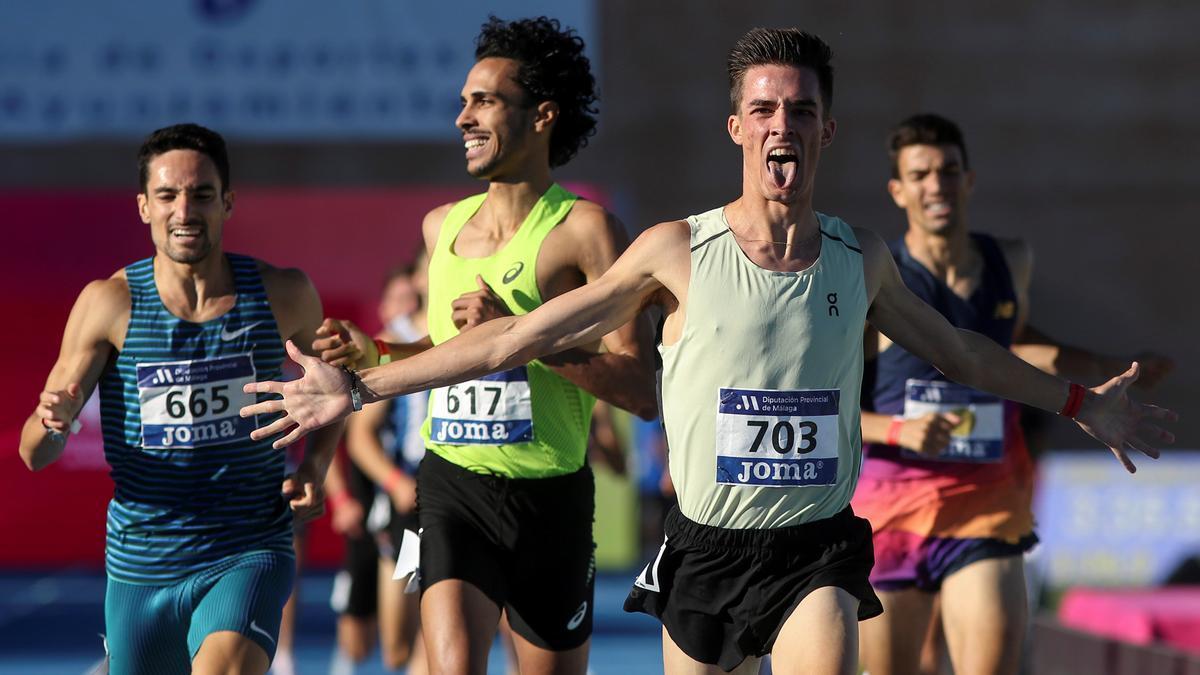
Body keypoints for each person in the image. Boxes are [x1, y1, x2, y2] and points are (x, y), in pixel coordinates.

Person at [241, 28, 1176, 675]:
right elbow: (514, 337)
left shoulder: (861, 257)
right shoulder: (674, 251)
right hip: (703, 548)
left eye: (801, 111)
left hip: (815, 547)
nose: (782, 125)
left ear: (824, 131)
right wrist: (361, 386)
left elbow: (966, 354)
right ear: (738, 128)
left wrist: (1083, 400)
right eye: (764, 109)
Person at [313, 16, 656, 675]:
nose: (462, 118)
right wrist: (377, 351)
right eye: (463, 101)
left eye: (484, 101)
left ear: (542, 115)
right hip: (452, 485)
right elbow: (453, 354)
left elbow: (640, 391)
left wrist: (524, 335)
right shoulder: (441, 226)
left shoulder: (587, 231)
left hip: (550, 495)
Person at [852, 113, 1174, 675]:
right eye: (921, 173)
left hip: (986, 502)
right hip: (890, 510)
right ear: (897, 190)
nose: (937, 185)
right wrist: (898, 430)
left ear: (969, 179)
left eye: (948, 170)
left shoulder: (1010, 262)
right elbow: (830, 406)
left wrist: (1104, 369)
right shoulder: (874, 278)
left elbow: (1015, 347)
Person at [18, 123, 343, 675]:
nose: (184, 210)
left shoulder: (283, 292)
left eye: (201, 194)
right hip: (142, 560)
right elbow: (34, 453)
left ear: (228, 202)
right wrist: (55, 423)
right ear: (144, 206)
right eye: (167, 195)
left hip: (249, 544)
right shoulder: (109, 303)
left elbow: (337, 385)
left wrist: (316, 462)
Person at [340, 261, 430, 673]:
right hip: (407, 503)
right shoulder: (396, 340)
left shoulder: (483, 332)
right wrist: (396, 483)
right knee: (397, 644)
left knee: (451, 623)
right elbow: (360, 437)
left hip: (463, 493)